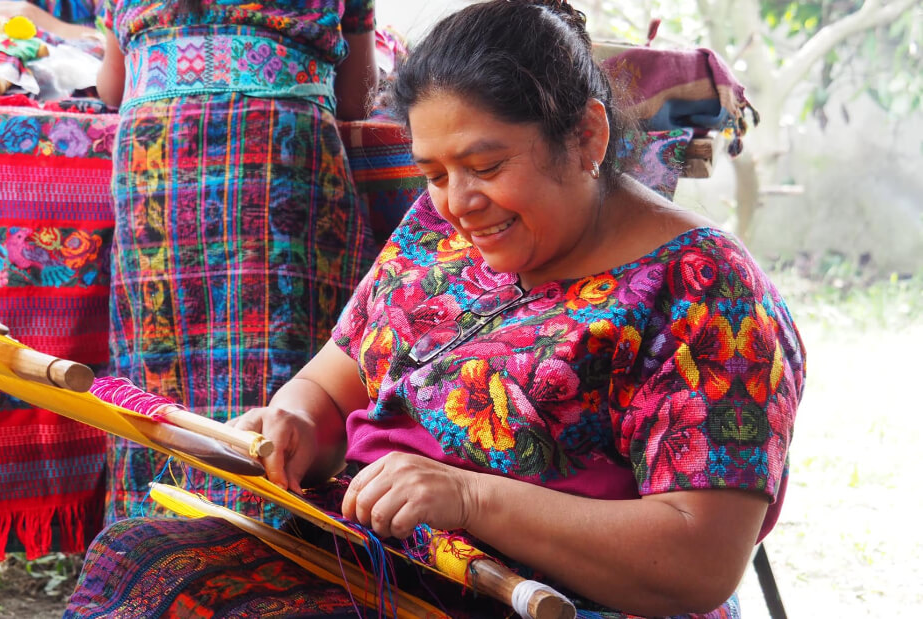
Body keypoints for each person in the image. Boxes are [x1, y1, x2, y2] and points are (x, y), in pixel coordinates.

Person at [67, 1, 805, 617]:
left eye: (485, 167)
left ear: (586, 136)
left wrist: (468, 498)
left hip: (537, 600)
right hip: (382, 565)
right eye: (435, 172)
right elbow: (333, 381)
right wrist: (293, 423)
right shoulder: (438, 225)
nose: (457, 202)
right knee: (140, 561)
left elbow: (699, 559)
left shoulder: (706, 291)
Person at [92, 0, 378, 525]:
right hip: (282, 145)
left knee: (158, 358)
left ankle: (152, 530)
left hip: (158, 152)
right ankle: (282, 533)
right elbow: (359, 93)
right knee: (289, 357)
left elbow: (112, 87)